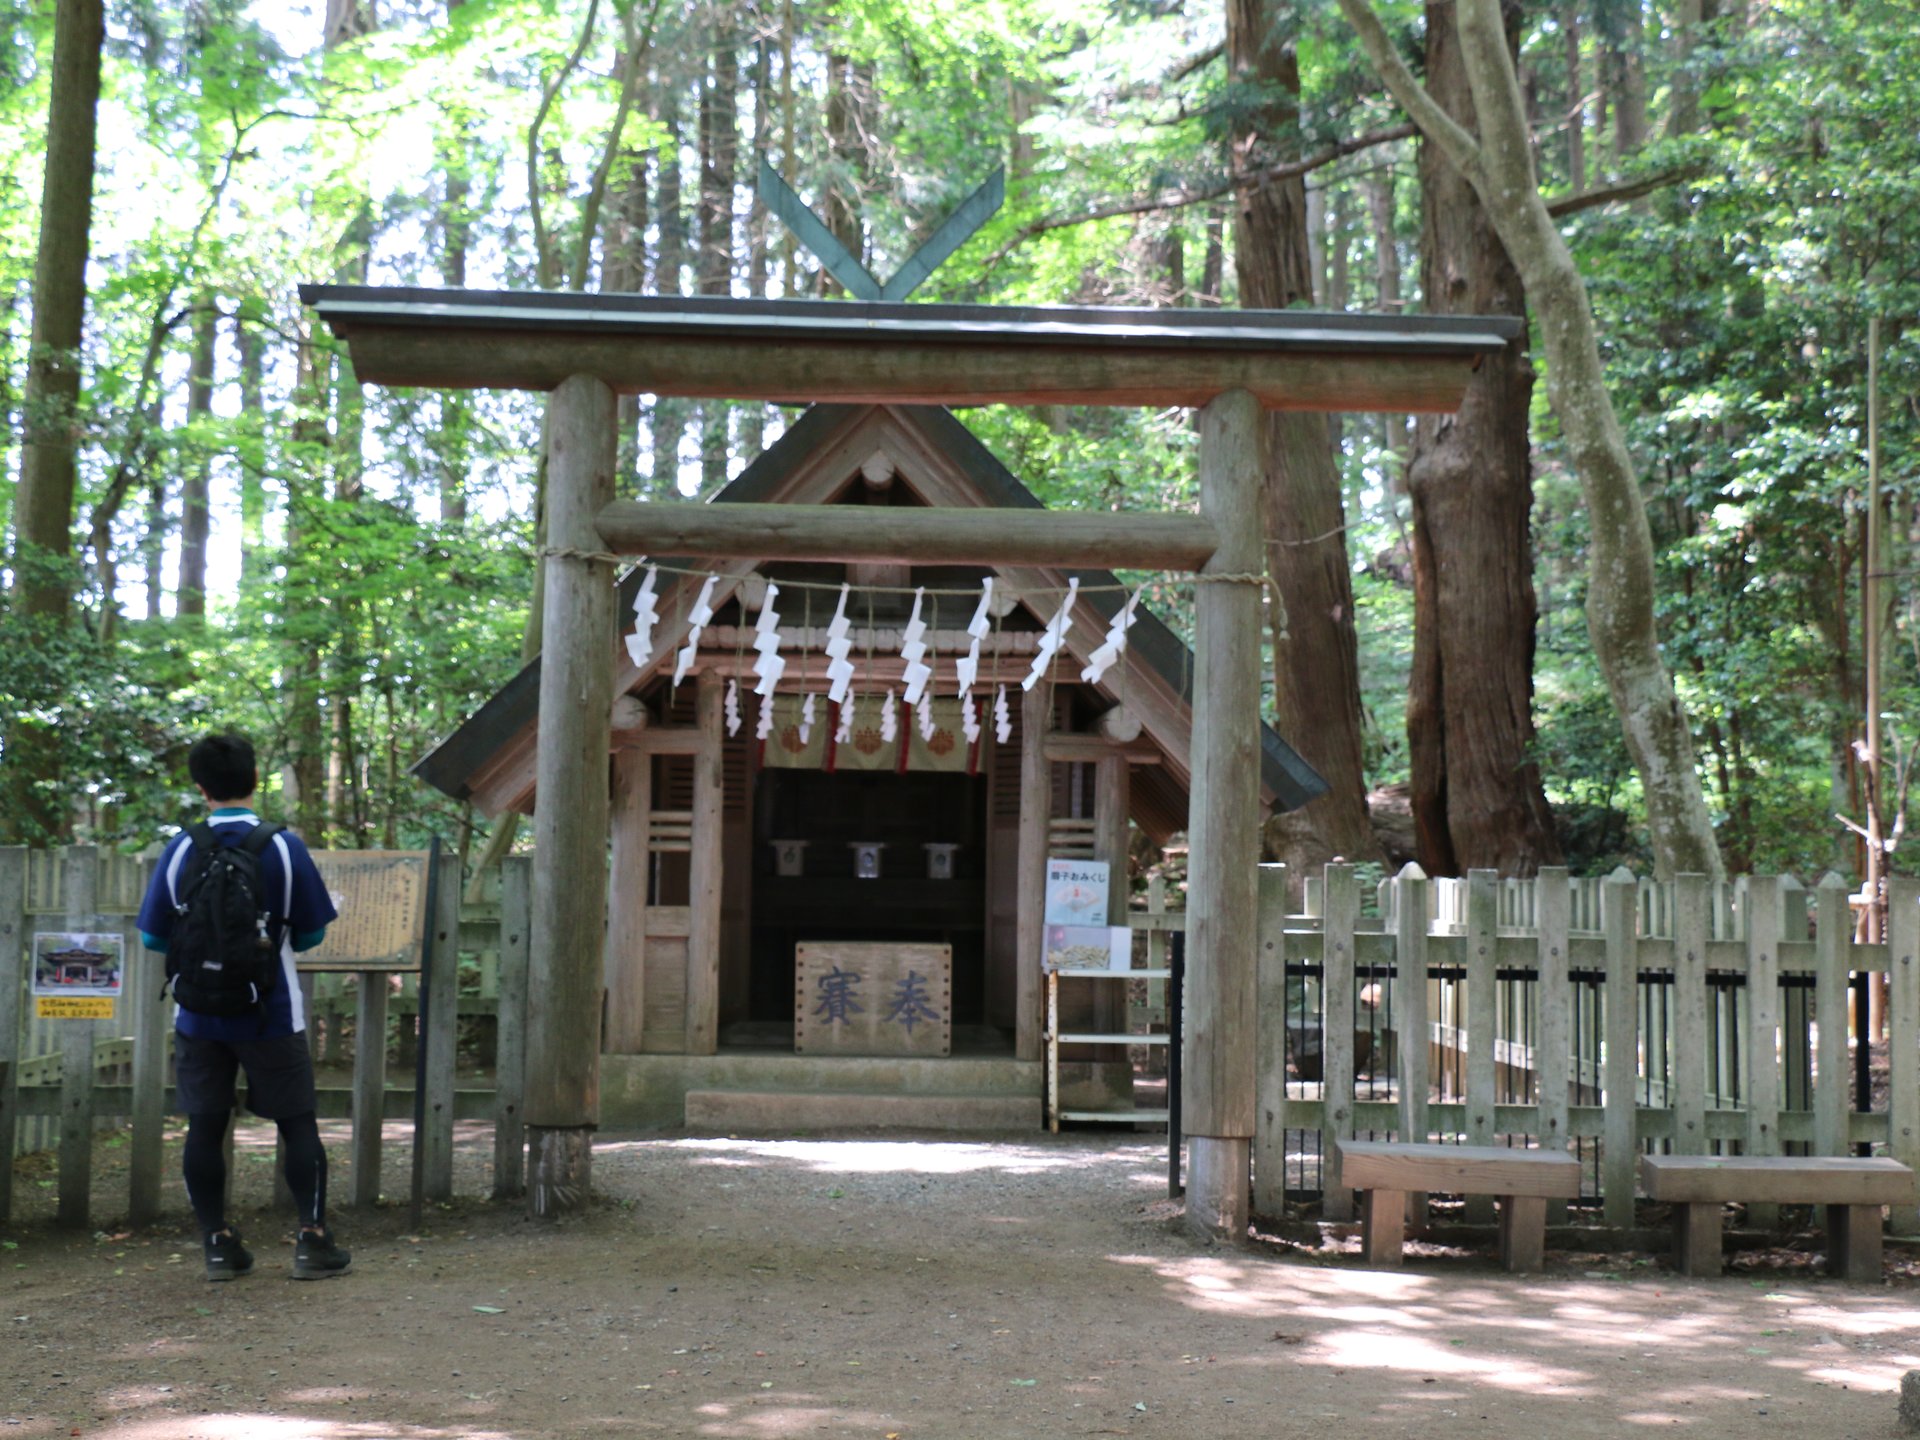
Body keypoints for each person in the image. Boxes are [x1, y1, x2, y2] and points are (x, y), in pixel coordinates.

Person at [137, 730, 350, 1281]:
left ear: (200, 786)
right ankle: (312, 1240)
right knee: (297, 1123)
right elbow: (309, 936)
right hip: (271, 1010)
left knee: (204, 1127)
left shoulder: (182, 846)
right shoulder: (282, 846)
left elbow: (154, 939)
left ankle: (217, 1245)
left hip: (198, 1015)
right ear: (256, 780)